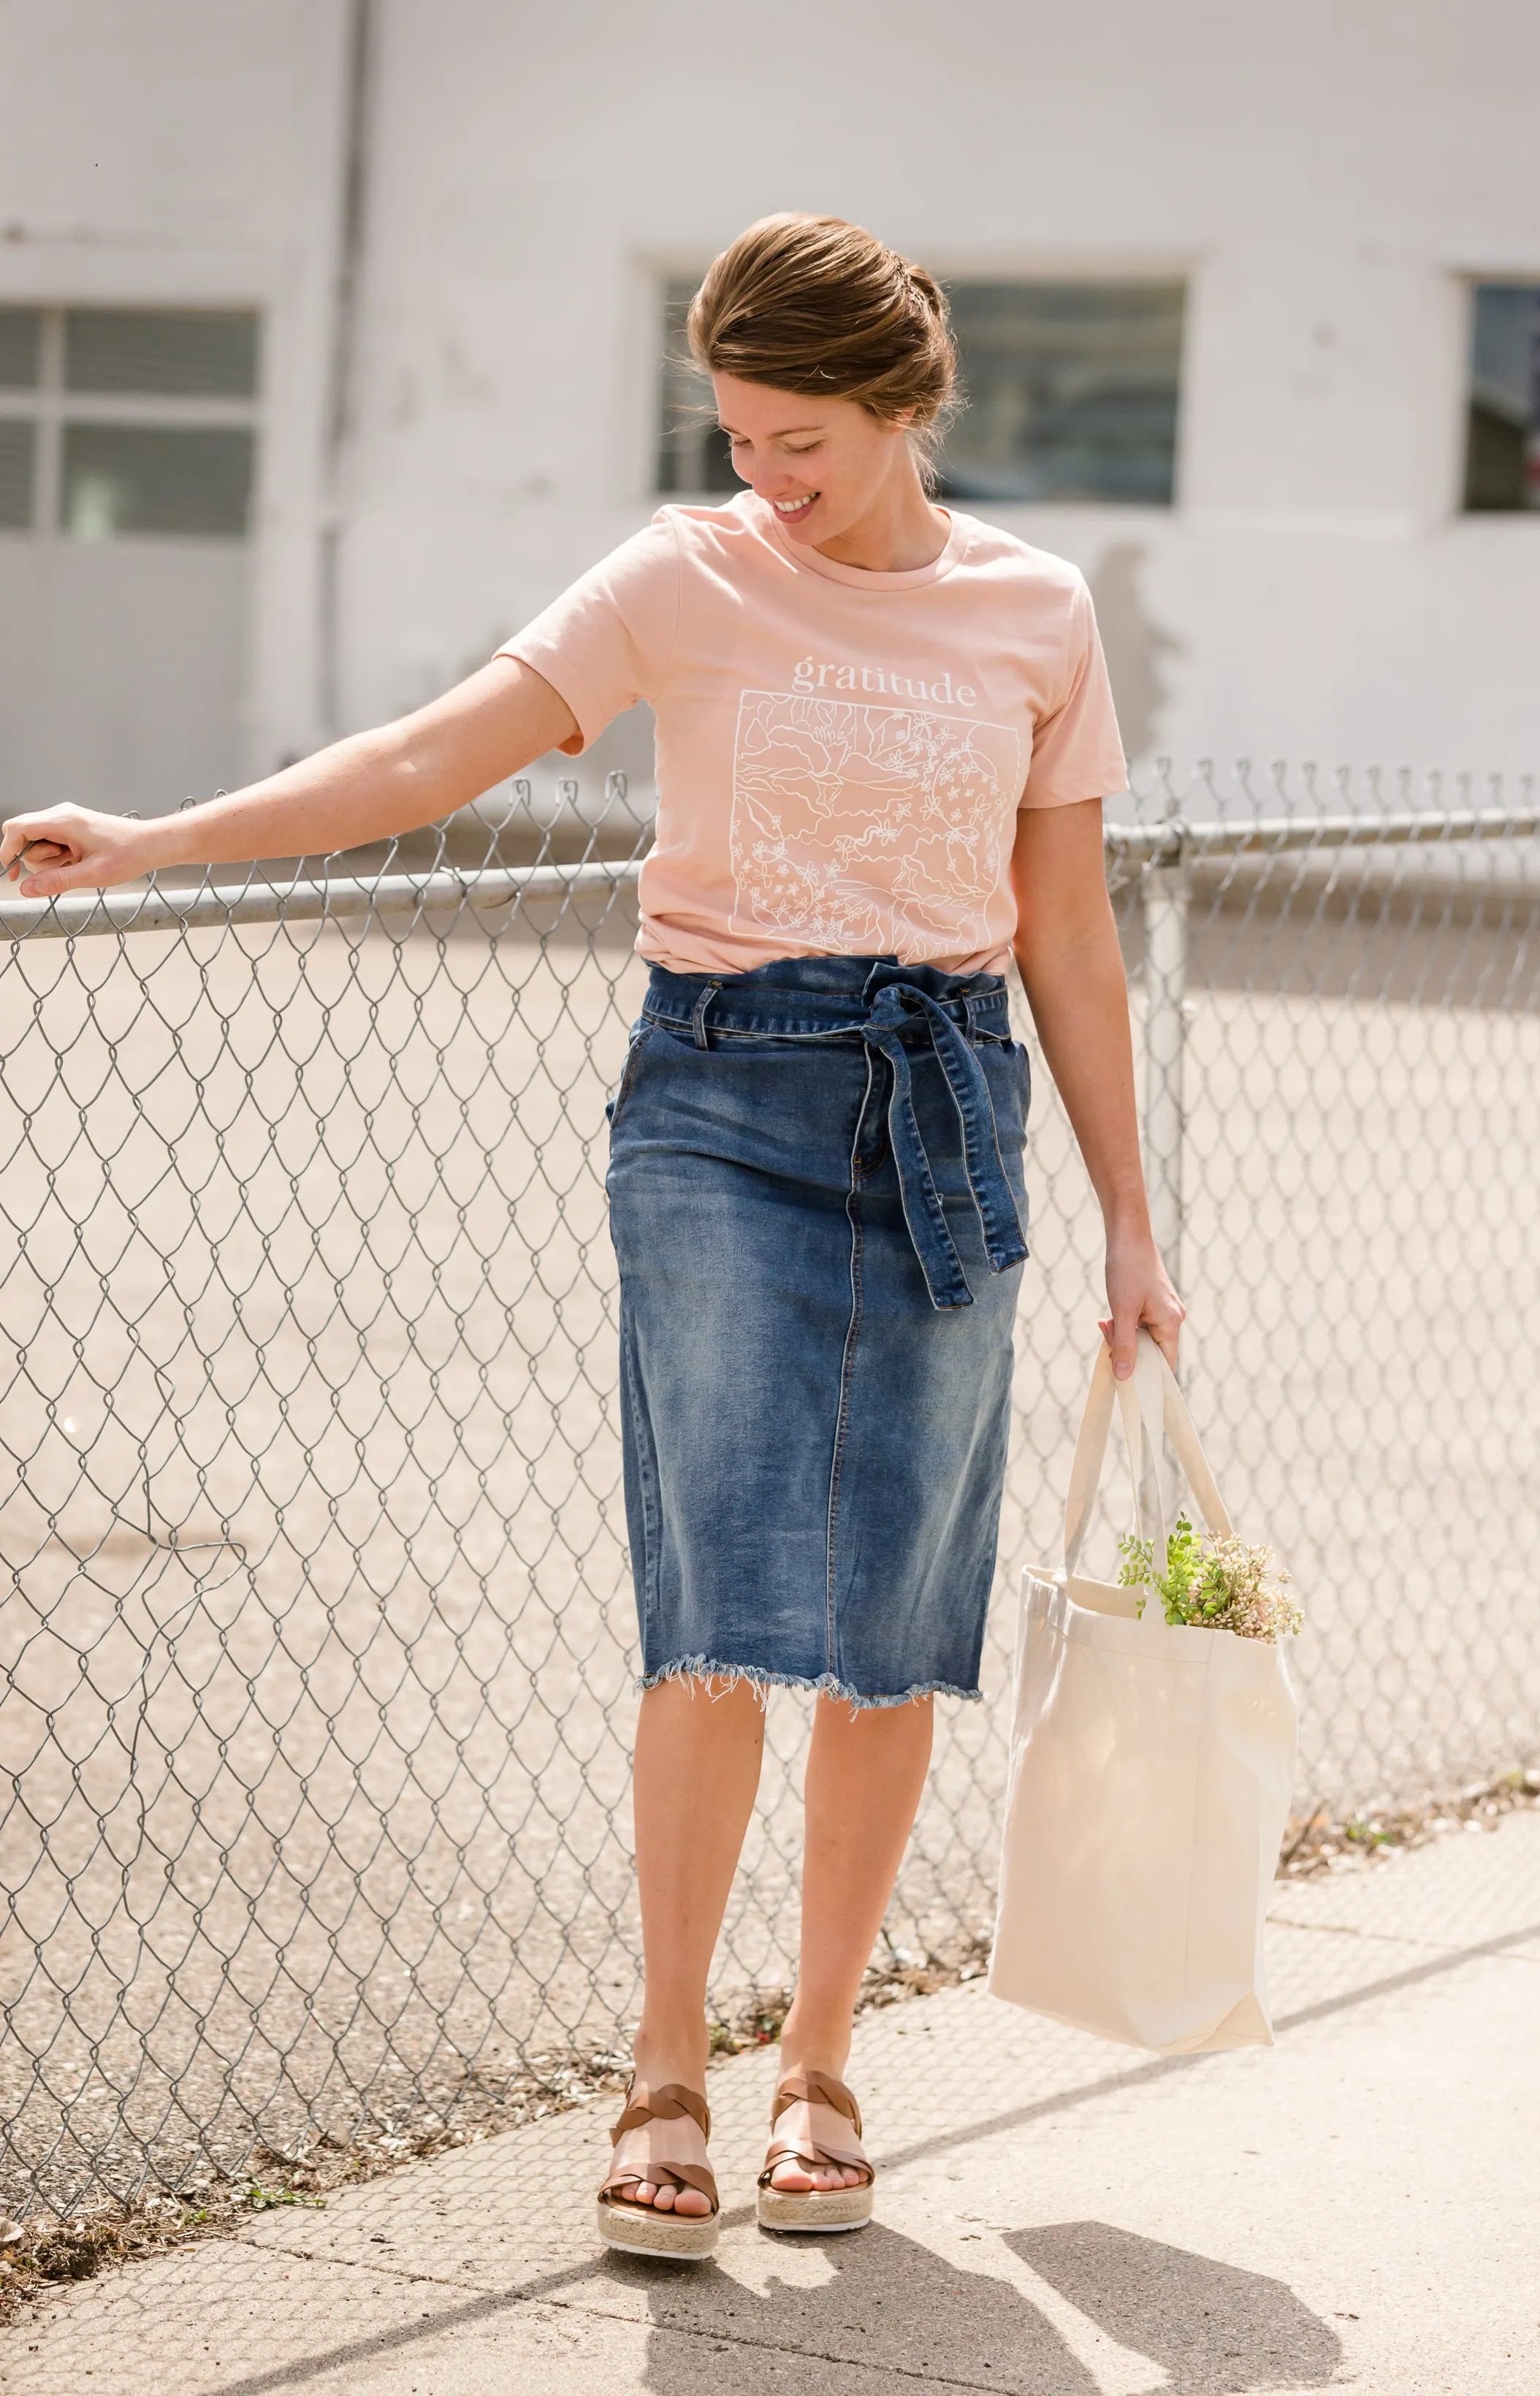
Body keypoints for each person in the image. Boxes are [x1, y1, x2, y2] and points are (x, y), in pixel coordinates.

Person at [0, 213, 1183, 2262]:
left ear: (905, 408)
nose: (763, 477)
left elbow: (1068, 933)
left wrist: (1136, 1232)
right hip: (718, 1101)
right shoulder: (683, 575)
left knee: (891, 1623)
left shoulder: (1035, 611)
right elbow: (424, 754)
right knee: (719, 1603)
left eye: (799, 438)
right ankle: (663, 2064)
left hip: (951, 1114)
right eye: (734, 432)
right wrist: (155, 845)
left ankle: (822, 2057)